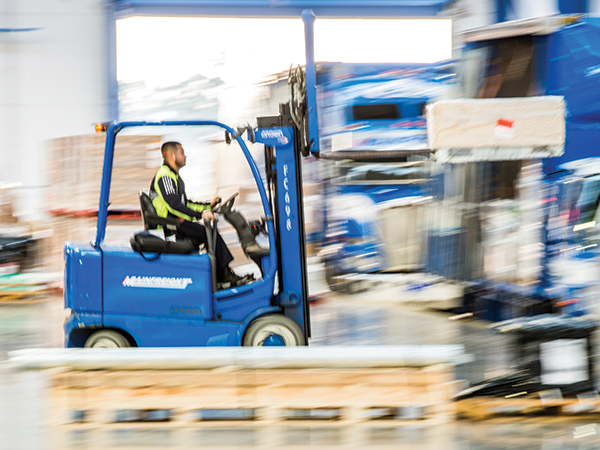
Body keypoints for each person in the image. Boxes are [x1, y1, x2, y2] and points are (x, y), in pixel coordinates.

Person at [149, 141, 245, 287]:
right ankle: (224, 276)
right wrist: (200, 216)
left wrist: (208, 206)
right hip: (170, 227)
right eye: (182, 152)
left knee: (208, 232)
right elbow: (173, 205)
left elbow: (185, 204)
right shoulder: (165, 176)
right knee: (210, 233)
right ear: (171, 156)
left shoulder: (174, 177)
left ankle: (220, 278)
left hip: (176, 223)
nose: (185, 155)